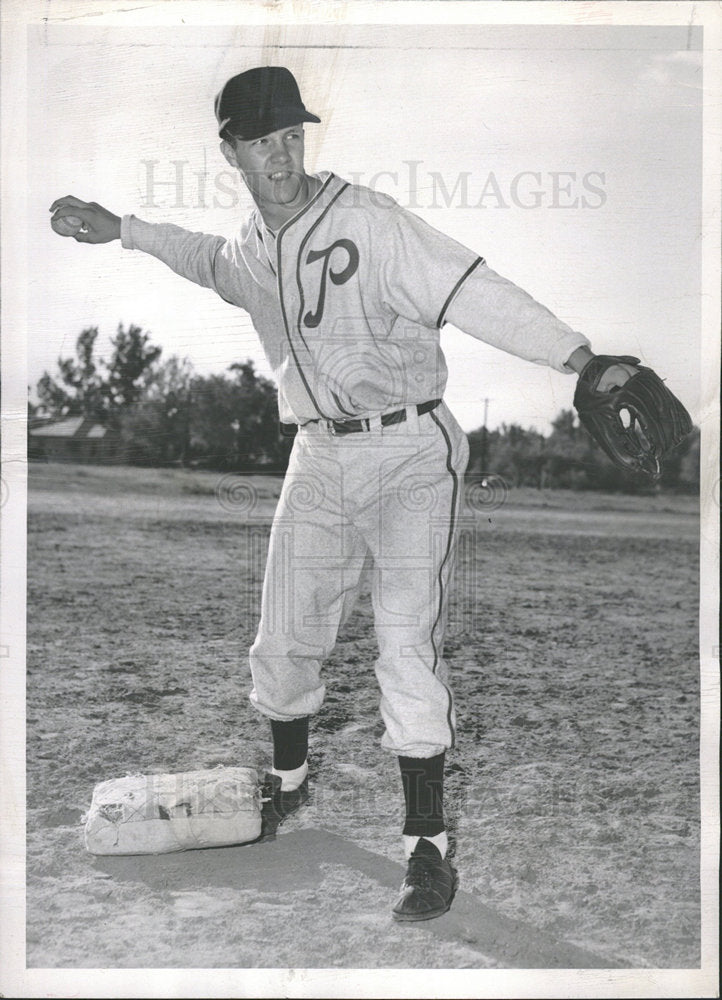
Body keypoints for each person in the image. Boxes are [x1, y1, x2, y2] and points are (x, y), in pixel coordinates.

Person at [50, 65, 634, 922]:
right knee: (283, 634)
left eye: (292, 135)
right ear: (231, 151)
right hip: (318, 455)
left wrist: (580, 359)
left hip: (409, 448)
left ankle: (426, 846)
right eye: (261, 140)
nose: (281, 154)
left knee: (404, 638)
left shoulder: (366, 219)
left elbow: (471, 290)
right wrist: (123, 229)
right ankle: (288, 782)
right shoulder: (251, 249)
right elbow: (202, 257)